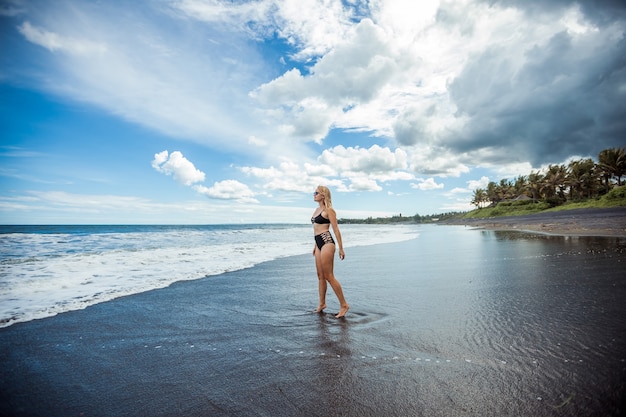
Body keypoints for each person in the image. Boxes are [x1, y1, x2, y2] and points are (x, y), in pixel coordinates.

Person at [311, 185, 350, 318]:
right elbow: (316, 228)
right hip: (318, 243)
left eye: (316, 193)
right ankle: (322, 304)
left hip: (327, 242)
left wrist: (341, 248)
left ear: (323, 195)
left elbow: (336, 229)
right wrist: (315, 245)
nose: (314, 194)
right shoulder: (316, 210)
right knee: (320, 276)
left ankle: (344, 305)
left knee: (329, 276)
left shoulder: (329, 210)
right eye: (314, 192)